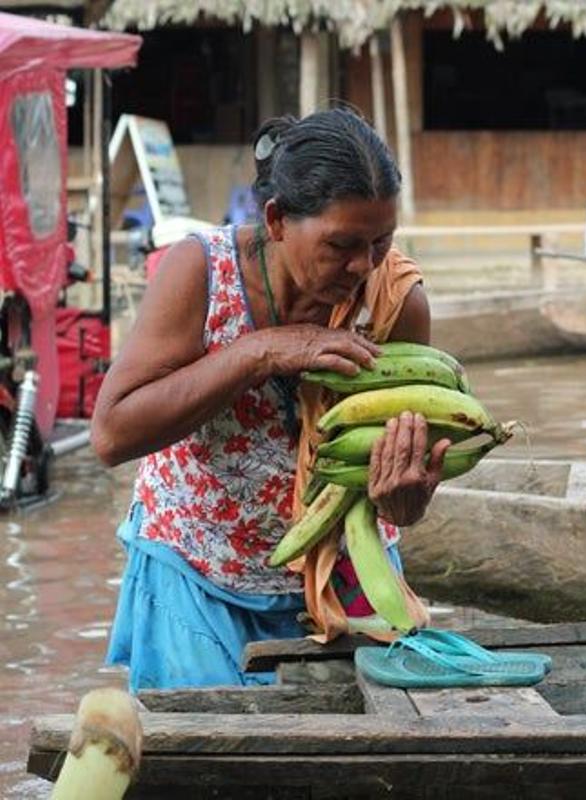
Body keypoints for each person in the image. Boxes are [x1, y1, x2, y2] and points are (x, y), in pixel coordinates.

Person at [92, 109, 449, 689]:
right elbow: (111, 435)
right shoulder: (200, 271)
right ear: (278, 221)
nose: (363, 266)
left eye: (380, 241)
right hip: (198, 566)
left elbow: (389, 486)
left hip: (343, 572)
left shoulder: (397, 303)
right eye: (341, 245)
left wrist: (405, 503)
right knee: (204, 766)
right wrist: (258, 354)